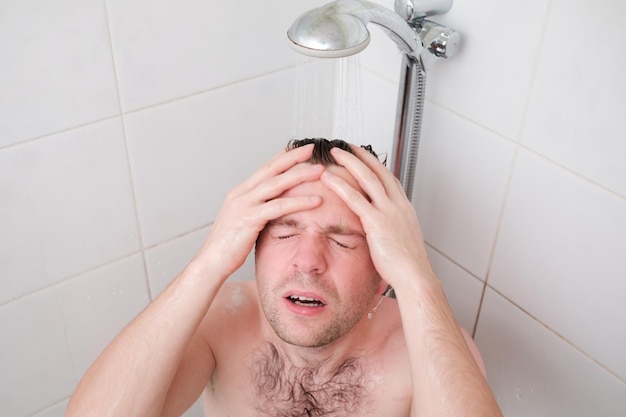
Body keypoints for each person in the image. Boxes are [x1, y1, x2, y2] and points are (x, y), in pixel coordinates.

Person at [65, 138, 502, 417]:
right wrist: (210, 261)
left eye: (343, 241)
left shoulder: (425, 352)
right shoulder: (222, 322)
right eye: (285, 232)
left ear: (381, 275)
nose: (307, 261)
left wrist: (417, 277)